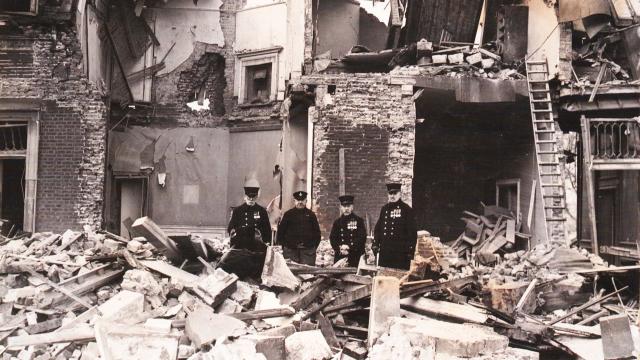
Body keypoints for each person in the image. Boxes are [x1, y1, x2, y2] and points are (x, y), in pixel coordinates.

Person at [373, 183, 418, 270]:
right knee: (384, 278)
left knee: (398, 279)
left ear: (400, 194)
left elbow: (412, 232)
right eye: (390, 193)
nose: (392, 196)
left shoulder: (406, 209)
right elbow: (378, 229)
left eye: (395, 193)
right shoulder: (384, 209)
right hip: (385, 252)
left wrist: (410, 251)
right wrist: (375, 243)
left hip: (400, 253)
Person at [277, 190, 321, 265]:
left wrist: (311, 248)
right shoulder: (288, 214)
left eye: (302, 200)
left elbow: (317, 234)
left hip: (307, 253)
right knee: (291, 274)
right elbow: (280, 233)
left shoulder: (311, 215)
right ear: (294, 201)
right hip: (291, 252)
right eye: (298, 200)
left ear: (306, 201)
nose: (300, 202)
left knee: (307, 275)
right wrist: (286, 247)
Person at [227, 177, 272, 249]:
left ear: (257, 197)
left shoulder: (262, 211)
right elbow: (230, 228)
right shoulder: (237, 211)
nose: (251, 199)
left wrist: (266, 243)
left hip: (256, 244)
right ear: (245, 197)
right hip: (240, 243)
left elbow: (267, 229)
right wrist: (233, 235)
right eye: (249, 197)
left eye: (253, 197)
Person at [329, 195, 366, 267]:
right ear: (341, 207)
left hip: (355, 255)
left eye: (348, 206)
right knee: (338, 277)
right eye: (344, 206)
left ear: (352, 207)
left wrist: (349, 247)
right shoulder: (337, 222)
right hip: (341, 255)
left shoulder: (359, 221)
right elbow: (332, 238)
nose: (346, 208)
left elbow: (362, 238)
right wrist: (340, 248)